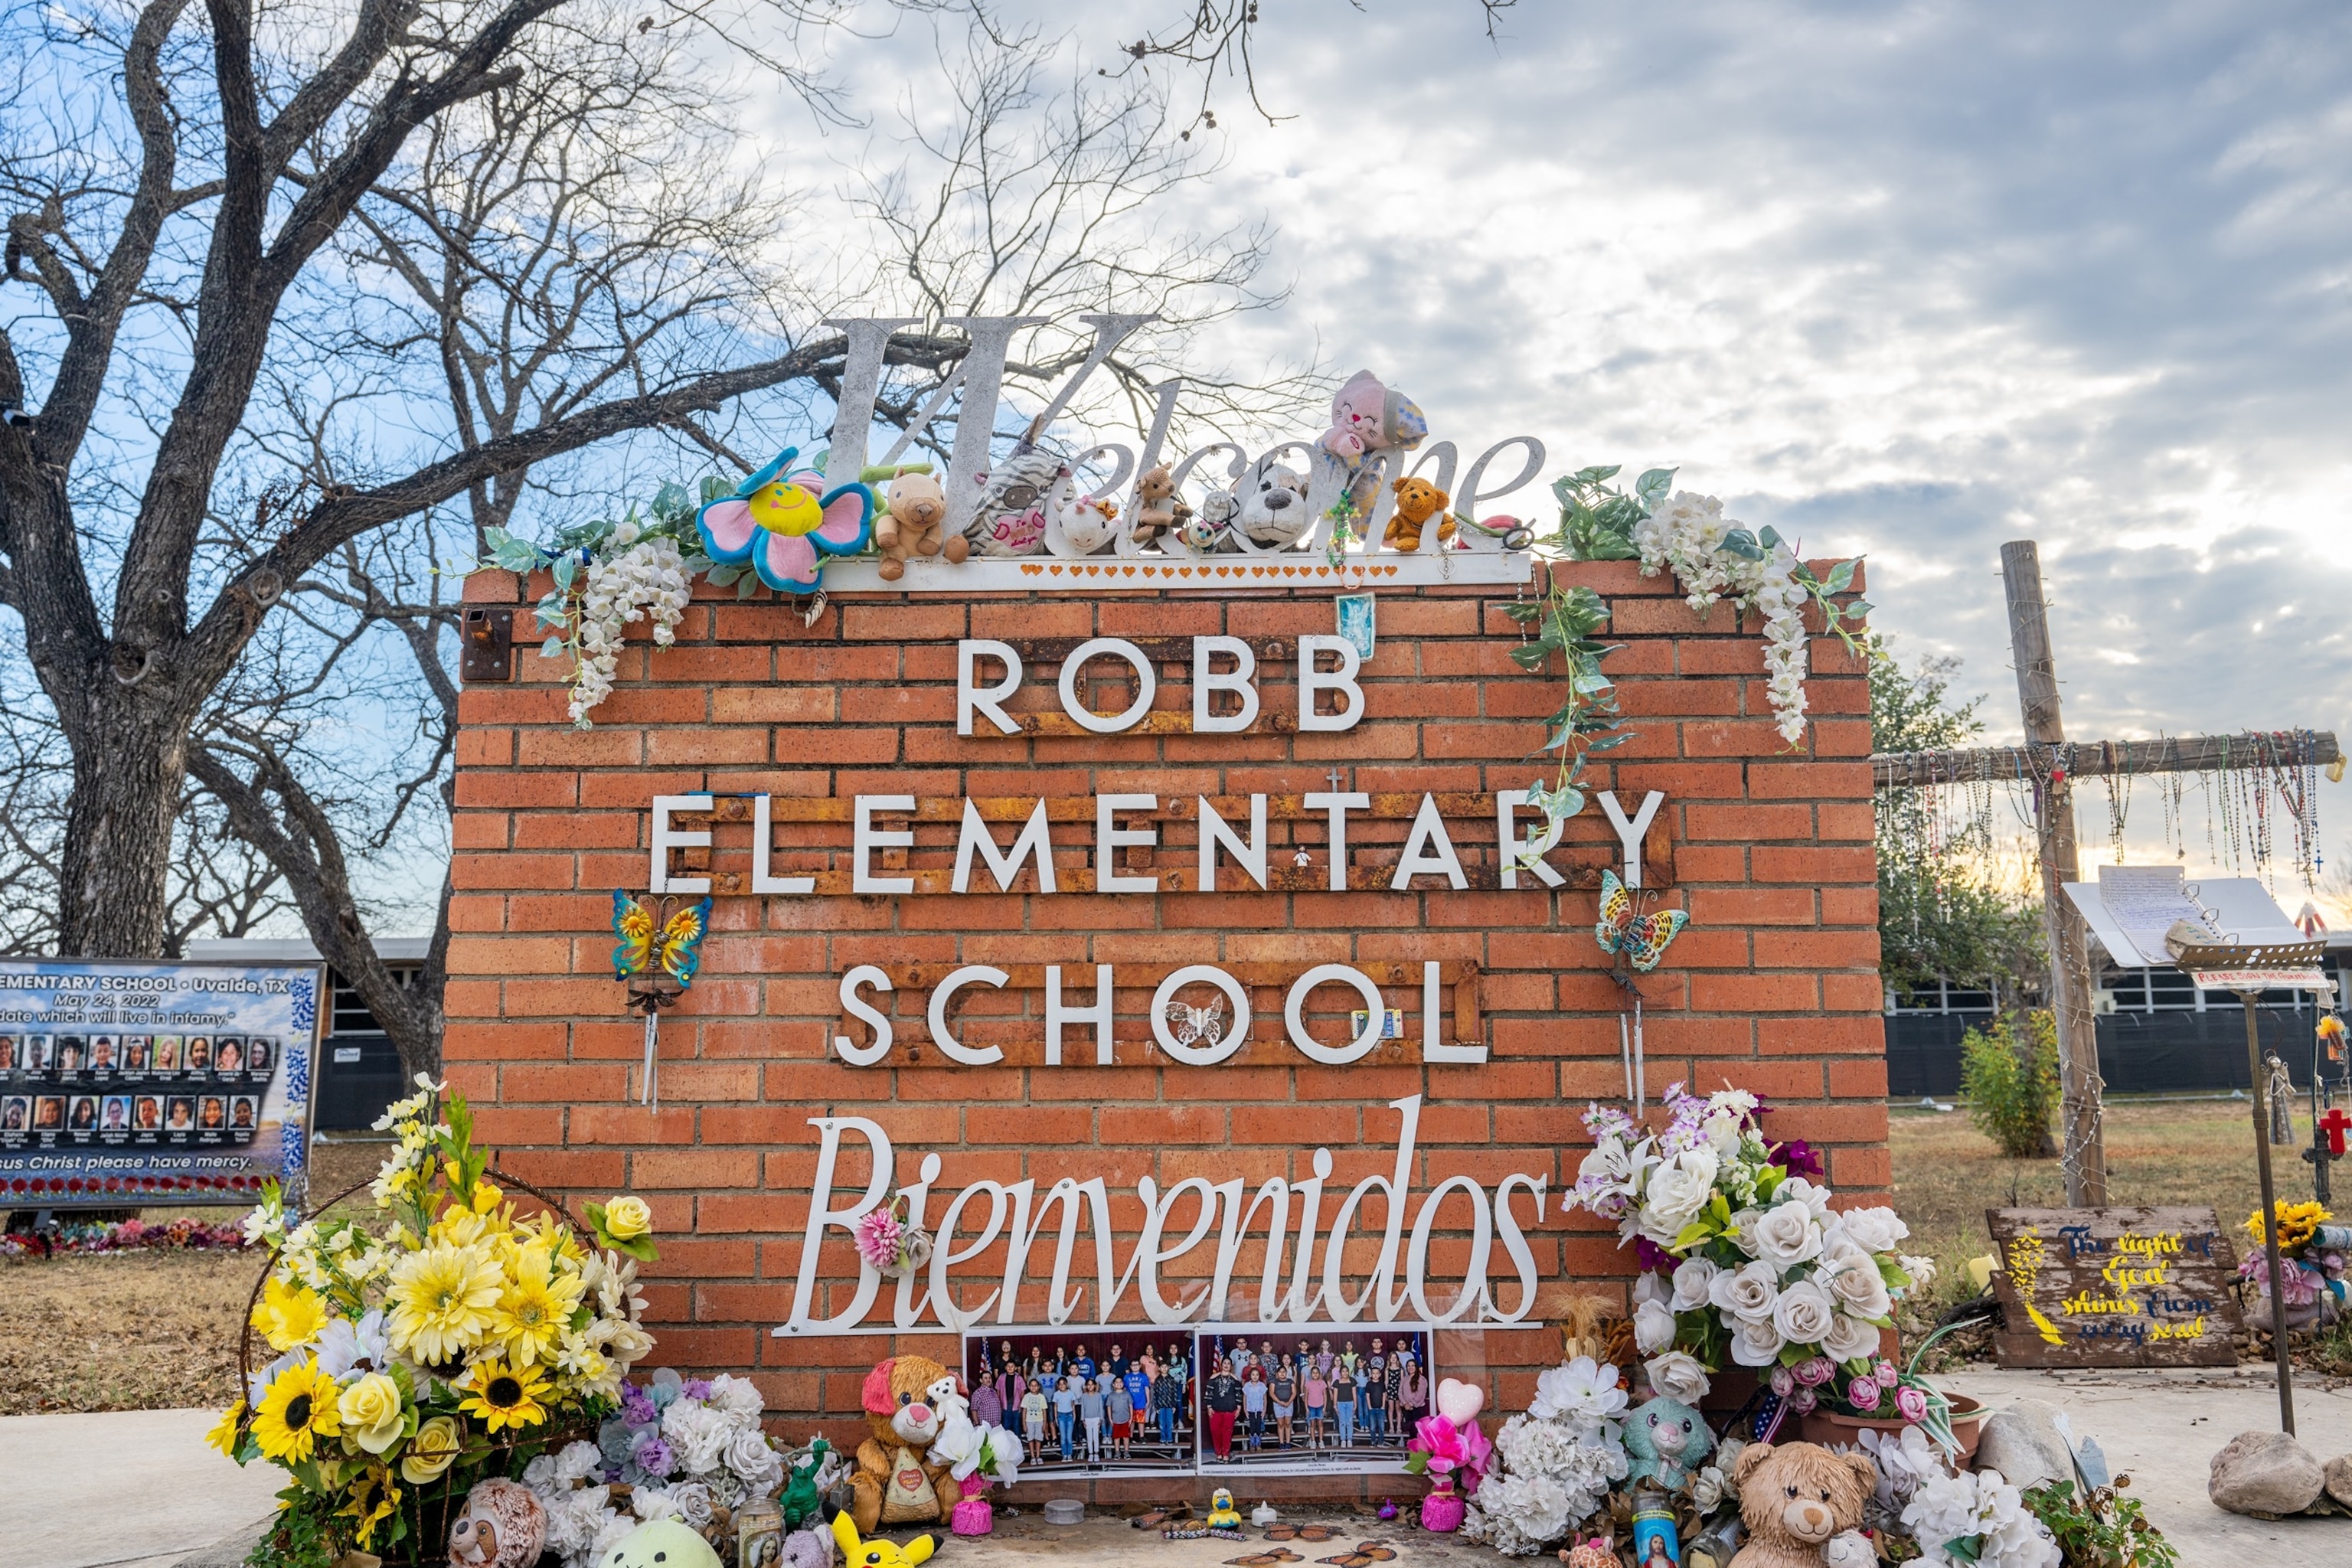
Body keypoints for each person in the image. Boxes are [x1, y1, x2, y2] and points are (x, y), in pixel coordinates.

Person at [1203, 1357, 1243, 1462]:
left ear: (1231, 1366)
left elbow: (1238, 1394)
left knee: (1227, 1432)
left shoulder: (1235, 1379)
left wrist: (1239, 1407)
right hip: (1215, 1410)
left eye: (1228, 1363)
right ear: (1221, 1365)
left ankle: (1226, 1453)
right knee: (1215, 1431)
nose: (1226, 1365)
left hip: (1230, 1410)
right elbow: (1208, 1394)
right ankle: (1218, 1453)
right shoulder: (1213, 1378)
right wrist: (1209, 1407)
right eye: (1224, 1363)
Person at [1150, 1361, 1182, 1447]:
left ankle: (1170, 1439)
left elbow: (1174, 1393)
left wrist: (1174, 1405)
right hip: (1160, 1405)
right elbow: (1155, 1394)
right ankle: (1163, 1439)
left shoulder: (1171, 1380)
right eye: (1162, 1367)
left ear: (1168, 1368)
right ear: (1159, 1369)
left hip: (1169, 1405)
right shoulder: (1158, 1380)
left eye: (1165, 1367)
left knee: (1169, 1422)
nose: (1164, 1369)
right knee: (1162, 1423)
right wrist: (1156, 1406)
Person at [1397, 1356, 1429, 1440]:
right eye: (1408, 1366)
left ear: (1416, 1367)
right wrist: (1405, 1404)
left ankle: (1416, 1450)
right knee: (1409, 1430)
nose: (1410, 1368)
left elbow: (1420, 1395)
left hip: (1417, 1409)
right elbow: (1400, 1392)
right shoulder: (1404, 1379)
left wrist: (1411, 1404)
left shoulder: (1421, 1379)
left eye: (1412, 1366)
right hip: (1406, 1408)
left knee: (1415, 1430)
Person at [1363, 1347, 1390, 1444]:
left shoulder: (1381, 1384)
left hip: (1381, 1408)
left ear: (1380, 1375)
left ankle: (1381, 1442)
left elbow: (1384, 1395)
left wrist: (1383, 1406)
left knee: (1381, 1426)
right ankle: (1373, 1441)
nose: (1375, 1375)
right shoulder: (1369, 1384)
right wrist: (1369, 1407)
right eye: (1373, 1373)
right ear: (1372, 1375)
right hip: (1372, 1409)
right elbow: (1367, 1396)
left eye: (1377, 1373)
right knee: (1373, 1426)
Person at [1241, 1357, 1268, 1450]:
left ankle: (1258, 1443)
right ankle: (1252, 1444)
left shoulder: (1262, 1385)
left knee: (1258, 1426)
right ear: (1250, 1376)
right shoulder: (1247, 1385)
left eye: (1257, 1375)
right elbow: (1245, 1397)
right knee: (1252, 1426)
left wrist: (1264, 1410)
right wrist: (1245, 1409)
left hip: (1260, 1409)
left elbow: (1265, 1398)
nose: (1255, 1376)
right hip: (1251, 1409)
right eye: (1253, 1375)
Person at [1122, 1360, 1151, 1447]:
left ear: (1140, 1366)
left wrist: (1148, 1401)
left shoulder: (1144, 1377)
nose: (1135, 1366)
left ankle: (1142, 1436)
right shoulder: (1127, 1377)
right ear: (1130, 1367)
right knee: (1131, 1420)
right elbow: (1124, 1390)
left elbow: (1146, 1389)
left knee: (1141, 1421)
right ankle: (1131, 1436)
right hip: (1130, 1403)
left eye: (1137, 1365)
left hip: (1141, 1402)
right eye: (1133, 1365)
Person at [1021, 1377, 1049, 1466]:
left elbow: (1044, 1411)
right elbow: (1024, 1411)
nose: (1034, 1388)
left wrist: (1044, 1423)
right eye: (1032, 1386)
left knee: (1038, 1439)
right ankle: (1032, 1457)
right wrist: (1024, 1423)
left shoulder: (1042, 1397)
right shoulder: (1026, 1397)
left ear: (1038, 1387)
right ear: (1029, 1387)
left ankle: (1038, 1456)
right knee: (1030, 1439)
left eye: (1035, 1386)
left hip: (1039, 1421)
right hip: (1029, 1421)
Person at [1106, 1371, 1133, 1459]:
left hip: (1125, 1419)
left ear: (1123, 1384)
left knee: (1126, 1437)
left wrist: (1131, 1417)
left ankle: (1126, 1452)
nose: (1119, 1384)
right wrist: (1110, 1419)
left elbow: (1131, 1406)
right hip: (1115, 1420)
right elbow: (1109, 1407)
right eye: (1116, 1382)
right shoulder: (1111, 1395)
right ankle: (1117, 1452)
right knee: (1116, 1437)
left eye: (1120, 1382)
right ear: (1113, 1385)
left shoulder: (1127, 1394)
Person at [1271, 1356, 1297, 1449]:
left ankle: (1288, 1442)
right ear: (1277, 1374)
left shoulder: (1290, 1381)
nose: (1282, 1374)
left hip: (1289, 1404)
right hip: (1278, 1405)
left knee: (1288, 1424)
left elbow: (1294, 1392)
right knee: (1281, 1424)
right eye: (1280, 1372)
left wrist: (1288, 1402)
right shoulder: (1274, 1382)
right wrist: (1280, 1402)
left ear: (1286, 1373)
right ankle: (1282, 1442)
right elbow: (1272, 1394)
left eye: (1284, 1372)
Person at [1053, 1370, 1080, 1461]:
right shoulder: (1056, 1394)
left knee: (1069, 1437)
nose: (1062, 1386)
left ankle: (1070, 1454)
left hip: (1069, 1416)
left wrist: (1074, 1416)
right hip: (1061, 1416)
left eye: (1063, 1384)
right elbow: (1055, 1406)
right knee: (1063, 1437)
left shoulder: (1071, 1393)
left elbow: (1073, 1405)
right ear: (1058, 1386)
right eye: (1060, 1384)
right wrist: (1056, 1418)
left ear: (1066, 1384)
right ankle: (1065, 1454)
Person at [1332, 1358, 1359, 1447]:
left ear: (1349, 1372)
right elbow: (1335, 1395)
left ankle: (1350, 1439)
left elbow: (1354, 1394)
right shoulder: (1337, 1382)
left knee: (1349, 1422)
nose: (1345, 1373)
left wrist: (1355, 1404)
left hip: (1350, 1403)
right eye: (1343, 1371)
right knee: (1342, 1422)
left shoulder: (1352, 1381)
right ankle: (1343, 1439)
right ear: (1340, 1373)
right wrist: (1335, 1406)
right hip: (1340, 1403)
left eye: (1346, 1371)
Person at [1302, 1361, 1328, 1449]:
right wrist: (1306, 1408)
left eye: (1317, 1373)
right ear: (1311, 1374)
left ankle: (1321, 1441)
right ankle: (1313, 1441)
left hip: (1320, 1406)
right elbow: (1306, 1396)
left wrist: (1324, 1407)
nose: (1315, 1375)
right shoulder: (1308, 1384)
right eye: (1313, 1373)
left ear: (1319, 1374)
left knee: (1320, 1424)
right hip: (1311, 1406)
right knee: (1312, 1425)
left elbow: (1325, 1396)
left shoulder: (1323, 1383)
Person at [1080, 1377, 1106, 1462]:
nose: (1090, 1387)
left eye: (1092, 1385)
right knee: (1089, 1437)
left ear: (1095, 1386)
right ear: (1086, 1386)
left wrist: (1101, 1419)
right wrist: (1083, 1419)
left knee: (1096, 1437)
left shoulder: (1098, 1395)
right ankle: (1090, 1453)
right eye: (1088, 1385)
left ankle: (1096, 1453)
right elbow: (1083, 1408)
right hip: (1087, 1418)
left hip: (1096, 1418)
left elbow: (1100, 1407)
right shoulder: (1084, 1396)